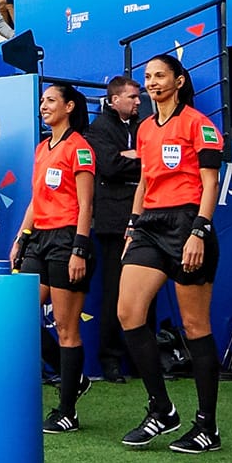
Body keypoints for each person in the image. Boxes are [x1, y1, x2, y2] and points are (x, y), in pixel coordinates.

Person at [117, 54, 224, 454]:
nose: (152, 82)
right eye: (147, 77)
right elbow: (144, 180)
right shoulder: (144, 128)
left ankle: (207, 427)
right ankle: (162, 410)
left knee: (195, 326)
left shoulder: (200, 124)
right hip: (149, 225)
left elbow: (210, 184)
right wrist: (132, 224)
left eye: (160, 75)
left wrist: (199, 231)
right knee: (128, 313)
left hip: (187, 224)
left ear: (179, 81)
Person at [10, 84, 96, 433]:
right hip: (39, 240)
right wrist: (21, 237)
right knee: (19, 312)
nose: (43, 106)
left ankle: (67, 410)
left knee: (65, 327)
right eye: (42, 101)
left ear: (69, 106)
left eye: (50, 101)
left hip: (67, 241)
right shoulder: (42, 147)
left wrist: (79, 249)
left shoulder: (81, 148)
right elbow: (36, 198)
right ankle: (71, 376)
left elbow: (86, 206)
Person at [85, 76, 142, 383]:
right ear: (114, 99)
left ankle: (140, 358)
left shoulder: (144, 124)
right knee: (114, 291)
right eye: (132, 97)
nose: (137, 102)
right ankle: (110, 360)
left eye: (138, 97)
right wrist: (133, 159)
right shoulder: (99, 128)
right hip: (112, 222)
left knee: (145, 293)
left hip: (146, 218)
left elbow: (158, 161)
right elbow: (109, 166)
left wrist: (134, 157)